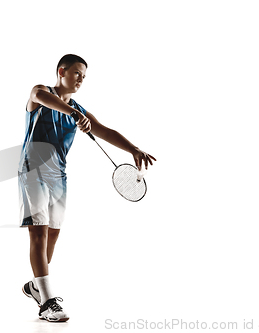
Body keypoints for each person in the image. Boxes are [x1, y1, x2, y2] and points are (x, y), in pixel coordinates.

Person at [19, 54, 156, 322]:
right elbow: (40, 96)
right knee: (38, 233)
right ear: (62, 71)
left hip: (59, 176)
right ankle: (47, 302)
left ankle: (36, 285)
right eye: (77, 73)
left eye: (84, 75)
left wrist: (133, 148)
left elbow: (105, 130)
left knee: (53, 236)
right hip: (32, 171)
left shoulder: (79, 109)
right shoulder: (42, 94)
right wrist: (72, 112)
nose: (81, 79)